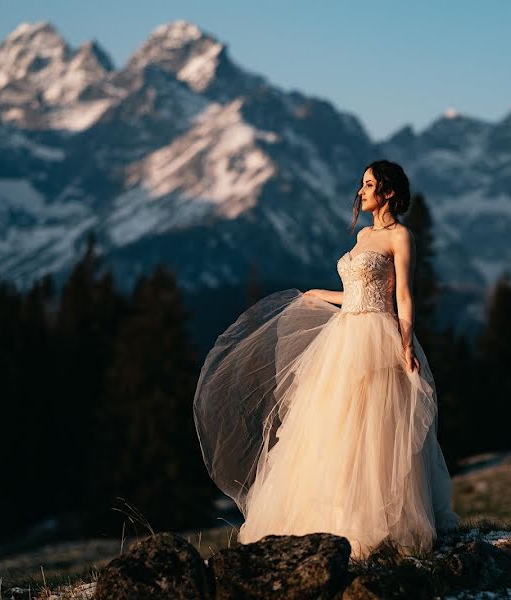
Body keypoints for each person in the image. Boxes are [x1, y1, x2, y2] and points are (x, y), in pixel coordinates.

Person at [193, 159, 460, 560]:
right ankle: (330, 520)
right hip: (345, 334)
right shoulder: (365, 235)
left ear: (388, 192)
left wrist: (405, 344)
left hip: (377, 336)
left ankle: (374, 523)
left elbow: (402, 296)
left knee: (374, 431)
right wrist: (324, 295)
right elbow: (356, 291)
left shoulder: (400, 237)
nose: (361, 191)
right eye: (361, 184)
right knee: (333, 428)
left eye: (369, 184)